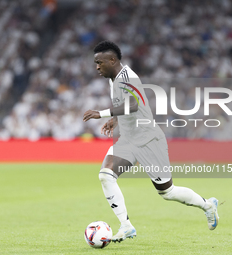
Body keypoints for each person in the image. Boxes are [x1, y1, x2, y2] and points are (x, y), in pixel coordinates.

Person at [83, 41, 219, 243]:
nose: (97, 67)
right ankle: (126, 226)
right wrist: (116, 119)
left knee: (167, 192)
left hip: (148, 140)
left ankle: (207, 205)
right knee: (106, 175)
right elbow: (125, 105)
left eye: (99, 62)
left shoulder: (128, 77)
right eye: (95, 63)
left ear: (112, 60)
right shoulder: (113, 79)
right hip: (128, 140)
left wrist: (101, 113)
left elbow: (133, 104)